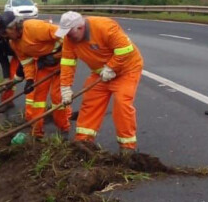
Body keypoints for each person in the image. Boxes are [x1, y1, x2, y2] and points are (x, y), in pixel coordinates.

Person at [55, 11, 143, 156]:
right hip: (100, 74)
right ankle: (83, 142)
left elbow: (125, 49)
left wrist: (111, 67)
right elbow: (67, 63)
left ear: (80, 27)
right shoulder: (70, 39)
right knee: (90, 103)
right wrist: (65, 88)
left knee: (122, 103)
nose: (67, 37)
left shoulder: (105, 26)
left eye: (69, 33)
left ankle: (127, 147)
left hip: (126, 70)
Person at [0, 12, 71, 140]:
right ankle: (37, 133)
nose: (5, 37)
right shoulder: (14, 43)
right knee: (37, 100)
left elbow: (67, 37)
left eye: (5, 33)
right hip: (45, 65)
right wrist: (29, 79)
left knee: (57, 97)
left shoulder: (34, 28)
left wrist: (56, 56)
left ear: (14, 27)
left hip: (63, 62)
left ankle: (64, 128)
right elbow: (26, 62)